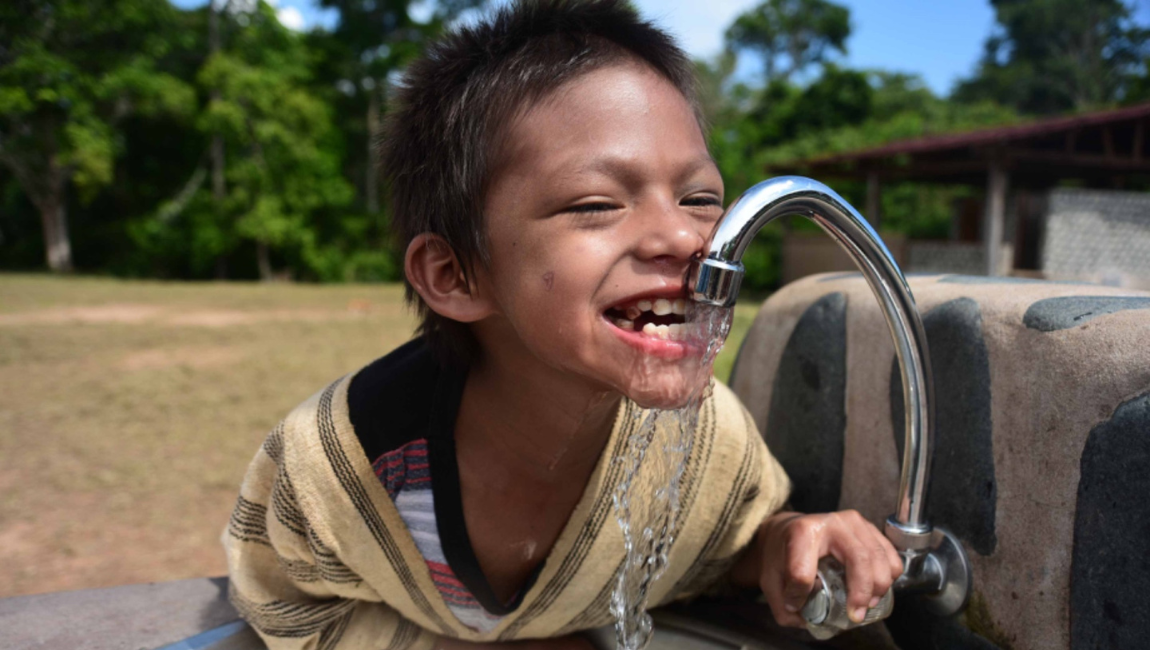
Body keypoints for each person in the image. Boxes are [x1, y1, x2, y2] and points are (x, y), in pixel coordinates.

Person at [223, 1, 903, 648]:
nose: (682, 235)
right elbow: (280, 598)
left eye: (700, 198)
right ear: (456, 275)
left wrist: (783, 544)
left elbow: (725, 545)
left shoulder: (706, 445)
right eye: (596, 203)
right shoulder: (340, 471)